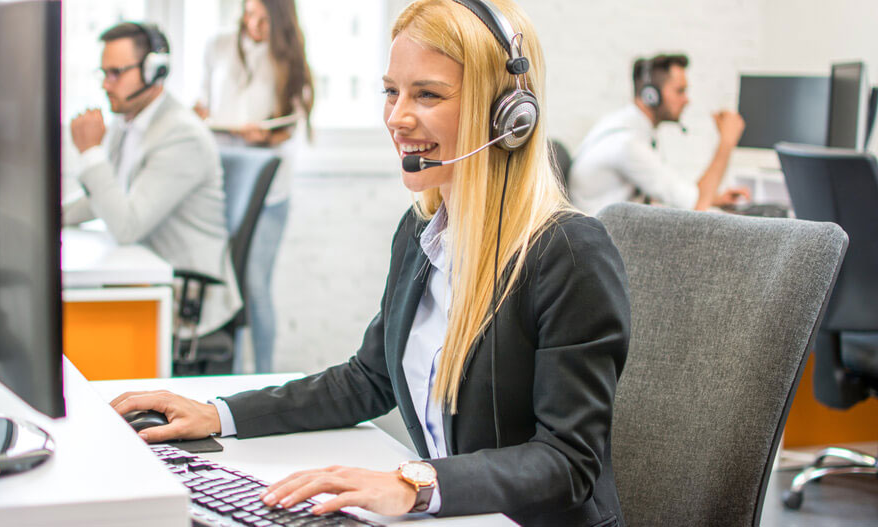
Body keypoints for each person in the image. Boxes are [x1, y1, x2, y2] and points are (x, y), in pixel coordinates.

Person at [112, 1, 630, 524]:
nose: (397, 117)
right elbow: (368, 378)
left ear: (508, 115)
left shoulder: (567, 252)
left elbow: (568, 462)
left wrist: (414, 486)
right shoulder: (421, 233)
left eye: (426, 94)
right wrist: (218, 414)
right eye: (391, 91)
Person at [64, 22, 240, 336]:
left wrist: (91, 152)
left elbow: (126, 227)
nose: (106, 84)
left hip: (184, 303)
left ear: (155, 71)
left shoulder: (181, 134)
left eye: (116, 73)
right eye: (103, 73)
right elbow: (106, 200)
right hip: (147, 282)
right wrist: (50, 214)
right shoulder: (127, 123)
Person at [193, 0, 314, 373]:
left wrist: (261, 135)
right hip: (221, 185)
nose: (254, 24)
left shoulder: (288, 57)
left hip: (268, 192)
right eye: (249, 15)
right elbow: (201, 106)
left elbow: (289, 125)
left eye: (263, 18)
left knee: (254, 286)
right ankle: (228, 372)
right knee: (222, 286)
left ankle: (262, 376)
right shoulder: (219, 46)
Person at [568, 53, 750, 216]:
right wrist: (726, 142)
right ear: (651, 96)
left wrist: (715, 199)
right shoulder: (627, 145)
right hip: (607, 242)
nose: (686, 100)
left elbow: (684, 199)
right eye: (680, 91)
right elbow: (697, 210)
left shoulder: (627, 127)